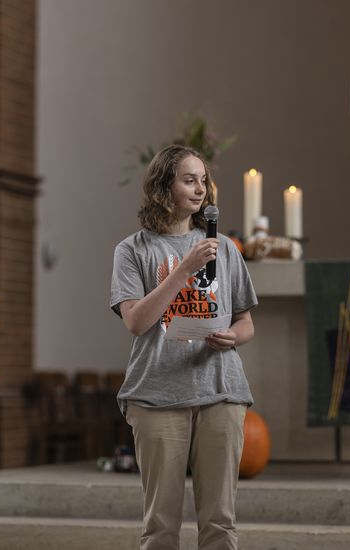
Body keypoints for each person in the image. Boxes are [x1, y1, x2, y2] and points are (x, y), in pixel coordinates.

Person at [110, 144, 257, 550]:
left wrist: (232, 336)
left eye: (203, 180)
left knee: (220, 522)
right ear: (163, 186)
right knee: (160, 524)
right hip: (157, 393)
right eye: (188, 180)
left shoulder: (224, 248)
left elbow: (246, 323)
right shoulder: (133, 250)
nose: (199, 189)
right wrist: (185, 269)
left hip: (220, 390)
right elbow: (136, 322)